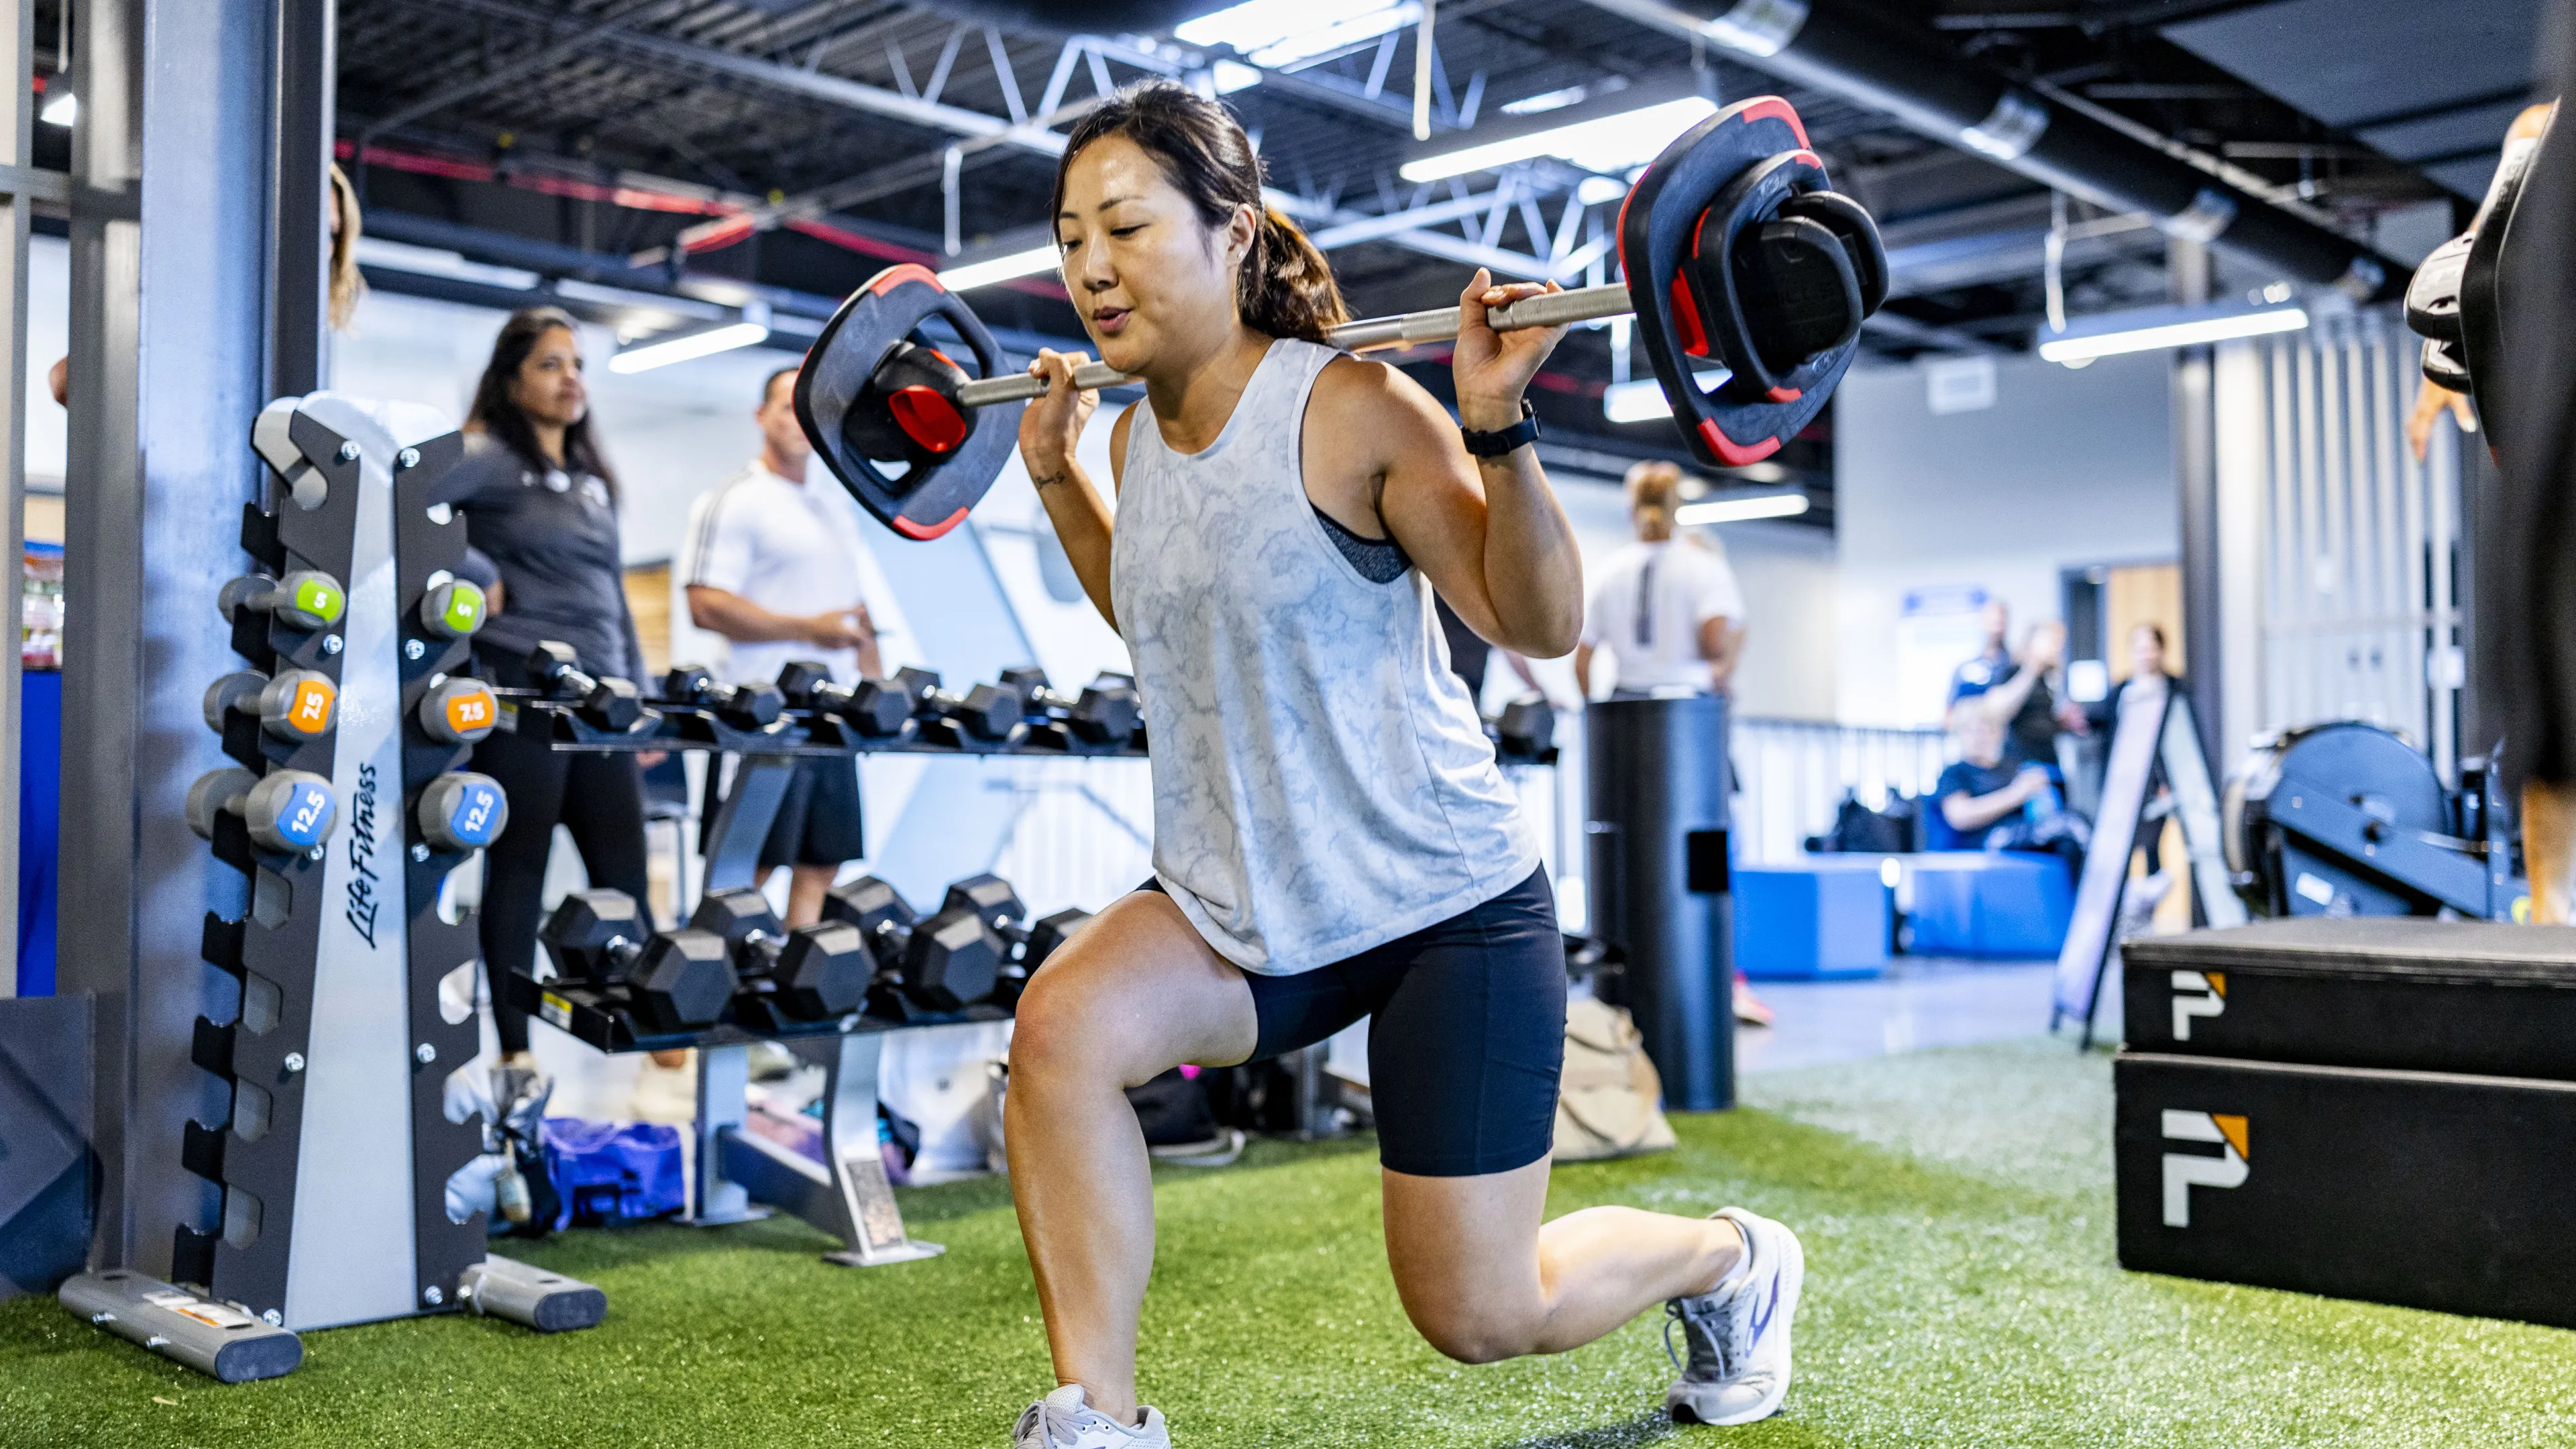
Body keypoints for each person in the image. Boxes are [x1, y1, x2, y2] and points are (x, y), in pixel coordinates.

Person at [1002, 81, 1805, 1447]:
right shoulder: (1132, 437)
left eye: (1126, 226)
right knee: (1061, 1033)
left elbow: (1535, 622)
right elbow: (1161, 615)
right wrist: (1058, 479)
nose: (1090, 265)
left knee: (1482, 1317)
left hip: (1443, 909)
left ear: (1235, 233)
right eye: (1073, 233)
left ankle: (1732, 1261)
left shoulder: (1357, 408)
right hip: (1253, 907)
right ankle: (1102, 1417)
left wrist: (1497, 421)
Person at [449, 307, 657, 1072]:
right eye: (550, 364)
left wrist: (637, 698)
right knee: (519, 871)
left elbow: (614, 594)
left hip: (603, 703)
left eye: (576, 364)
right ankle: (514, 1053)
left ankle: (644, 1036)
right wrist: (476, 572)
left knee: (625, 885)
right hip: (522, 695)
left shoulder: (594, 484)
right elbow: (402, 504)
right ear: (510, 380)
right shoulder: (487, 459)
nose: (572, 379)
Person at [681, 365, 882, 926]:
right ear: (761, 417)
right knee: (748, 870)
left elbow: (856, 613)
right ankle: (716, 991)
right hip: (765, 715)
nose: (798, 420)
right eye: (785, 406)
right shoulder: (737, 500)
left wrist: (874, 688)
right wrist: (807, 629)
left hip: (833, 716)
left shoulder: (834, 508)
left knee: (822, 864)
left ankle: (798, 989)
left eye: (807, 408)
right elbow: (706, 606)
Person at [1573, 460, 1746, 699]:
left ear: (1632, 511)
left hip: (1627, 702)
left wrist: (1592, 712)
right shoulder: (1705, 567)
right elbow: (1715, 644)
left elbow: (1582, 661)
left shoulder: (1609, 572)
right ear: (1676, 507)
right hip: (1687, 701)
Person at [1929, 704, 2065, 859]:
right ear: (1960, 734)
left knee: (2067, 831)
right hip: (1976, 850)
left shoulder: (2015, 769)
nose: (1981, 736)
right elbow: (1960, 816)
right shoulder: (1954, 773)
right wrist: (2016, 794)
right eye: (1974, 731)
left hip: (2025, 843)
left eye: (1988, 729)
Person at [1953, 603, 2076, 773]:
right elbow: (1998, 709)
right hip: (2021, 761)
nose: (2057, 648)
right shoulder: (2012, 671)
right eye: (2052, 641)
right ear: (2033, 642)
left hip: (2049, 758)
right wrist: (2032, 667)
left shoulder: (2049, 678)